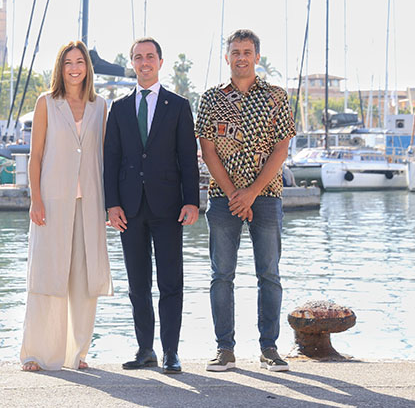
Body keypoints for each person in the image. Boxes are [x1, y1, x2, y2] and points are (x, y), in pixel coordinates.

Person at [195, 29, 296, 373]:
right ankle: (225, 349)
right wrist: (234, 195)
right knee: (221, 275)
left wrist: (251, 193)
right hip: (222, 200)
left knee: (269, 274)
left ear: (257, 56)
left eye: (247, 51)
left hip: (267, 197)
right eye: (235, 52)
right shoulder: (210, 99)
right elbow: (208, 151)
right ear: (227, 58)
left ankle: (269, 348)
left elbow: (281, 149)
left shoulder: (277, 97)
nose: (241, 57)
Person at [103, 37, 199, 374]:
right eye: (138, 57)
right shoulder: (119, 108)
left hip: (169, 206)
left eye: (150, 57)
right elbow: (110, 159)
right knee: (137, 284)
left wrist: (192, 201)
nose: (144, 62)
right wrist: (111, 204)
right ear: (132, 63)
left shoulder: (178, 105)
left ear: (160, 61)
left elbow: (188, 158)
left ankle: (171, 352)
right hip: (129, 209)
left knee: (171, 282)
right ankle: (146, 350)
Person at [20, 40, 113, 372]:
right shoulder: (47, 103)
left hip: (89, 204)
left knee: (83, 282)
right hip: (52, 202)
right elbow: (36, 156)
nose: (75, 68)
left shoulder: (100, 106)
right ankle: (36, 353)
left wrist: (109, 205)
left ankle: (77, 354)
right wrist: (36, 199)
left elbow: (104, 159)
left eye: (80, 62)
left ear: (88, 67)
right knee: (47, 277)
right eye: (68, 63)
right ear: (60, 68)